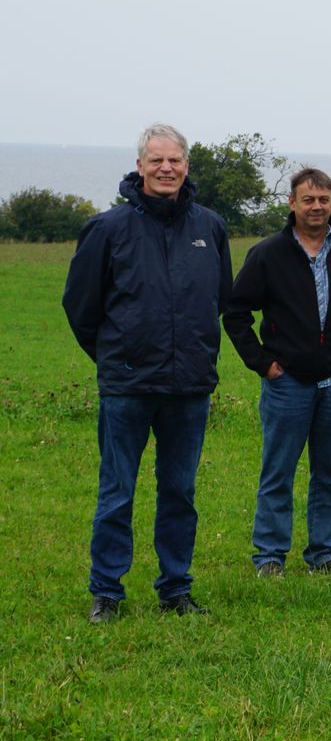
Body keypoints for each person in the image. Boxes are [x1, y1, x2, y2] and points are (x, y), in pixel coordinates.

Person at [63, 123, 233, 622]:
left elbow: (219, 297)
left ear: (186, 166)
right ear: (139, 167)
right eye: (155, 160)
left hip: (190, 388)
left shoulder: (210, 227)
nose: (166, 169)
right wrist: (117, 357)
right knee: (117, 491)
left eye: (174, 160)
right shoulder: (107, 228)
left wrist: (194, 353)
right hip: (128, 387)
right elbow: (81, 307)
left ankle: (176, 589)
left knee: (180, 491)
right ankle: (107, 593)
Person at [223, 167, 331, 579]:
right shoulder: (268, 254)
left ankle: (323, 553)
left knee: (330, 474)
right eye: (308, 200)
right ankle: (269, 556)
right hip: (287, 383)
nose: (317, 207)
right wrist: (263, 363)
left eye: (324, 200)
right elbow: (235, 312)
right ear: (292, 203)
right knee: (277, 472)